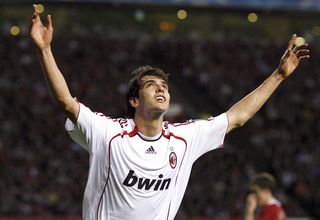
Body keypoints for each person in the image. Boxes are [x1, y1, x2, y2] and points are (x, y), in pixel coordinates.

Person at [29, 4, 309, 220]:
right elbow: (66, 102)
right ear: (135, 101)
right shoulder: (109, 132)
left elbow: (237, 117)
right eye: (151, 85)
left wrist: (279, 76)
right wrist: (44, 50)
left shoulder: (184, 138)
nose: (161, 89)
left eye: (164, 85)